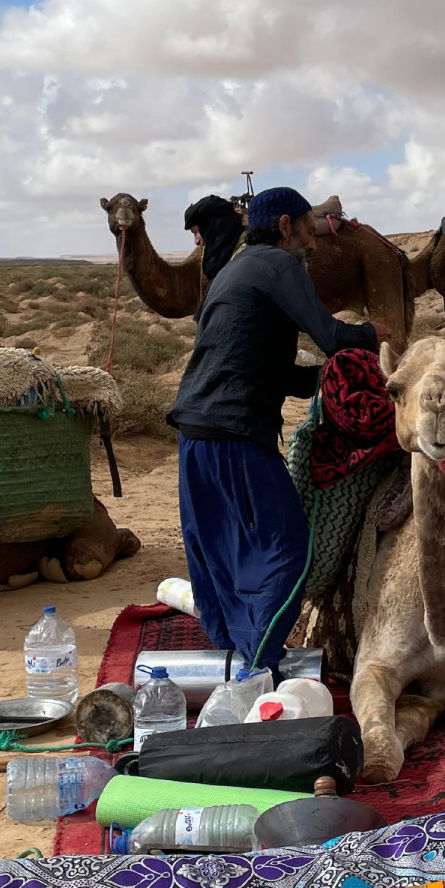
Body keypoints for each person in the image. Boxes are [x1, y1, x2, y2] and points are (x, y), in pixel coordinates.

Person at [170, 186, 392, 679]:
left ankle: (234, 656)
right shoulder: (277, 264)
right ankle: (259, 666)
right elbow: (332, 336)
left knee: (220, 551)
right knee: (287, 547)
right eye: (310, 230)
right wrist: (376, 337)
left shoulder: (232, 270)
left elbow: (271, 370)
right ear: (287, 226)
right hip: (235, 435)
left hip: (195, 435)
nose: (314, 244)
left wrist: (329, 381)